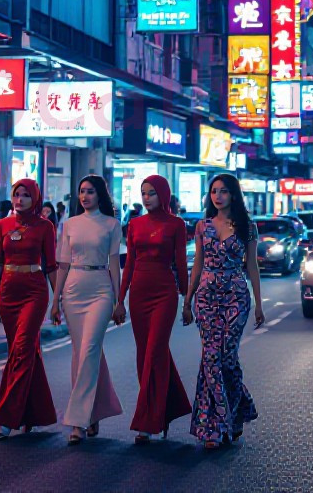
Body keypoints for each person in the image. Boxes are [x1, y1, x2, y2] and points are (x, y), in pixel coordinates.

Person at [183, 173, 263, 449]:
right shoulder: (202, 226)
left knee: (227, 358)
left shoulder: (247, 227)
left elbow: (252, 265)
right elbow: (198, 264)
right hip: (206, 297)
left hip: (235, 297)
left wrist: (259, 303)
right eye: (214, 191)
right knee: (210, 358)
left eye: (224, 191)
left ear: (234, 195)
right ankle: (214, 428)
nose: (218, 196)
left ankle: (238, 410)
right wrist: (188, 300)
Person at [112, 175, 191, 443]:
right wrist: (120, 300)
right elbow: (129, 265)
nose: (146, 198)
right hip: (139, 293)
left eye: (152, 193)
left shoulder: (176, 224)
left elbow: (181, 263)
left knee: (156, 351)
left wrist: (186, 300)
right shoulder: (135, 224)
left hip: (165, 293)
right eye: (143, 193)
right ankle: (166, 409)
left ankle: (147, 421)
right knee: (144, 354)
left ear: (163, 195)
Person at [0, 179, 58, 439]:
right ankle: (34, 413)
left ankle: (7, 417)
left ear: (34, 198)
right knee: (21, 351)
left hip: (35, 292)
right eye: (16, 194)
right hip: (8, 293)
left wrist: (57, 300)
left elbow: (51, 265)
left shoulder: (45, 226)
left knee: (23, 348)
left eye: (26, 195)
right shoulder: (2, 225)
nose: (20, 199)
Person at [51, 176, 123, 444]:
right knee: (80, 354)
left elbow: (114, 264)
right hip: (73, 290)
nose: (84, 196)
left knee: (90, 349)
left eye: (90, 191)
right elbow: (62, 264)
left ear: (100, 194)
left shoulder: (112, 224)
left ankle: (77, 421)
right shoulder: (70, 224)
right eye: (81, 191)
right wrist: (55, 300)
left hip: (101, 289)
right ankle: (92, 414)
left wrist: (119, 300)